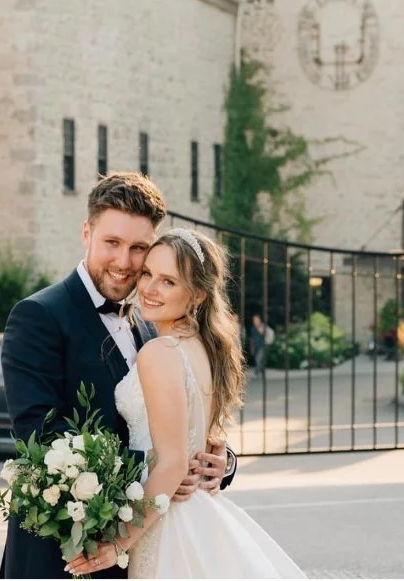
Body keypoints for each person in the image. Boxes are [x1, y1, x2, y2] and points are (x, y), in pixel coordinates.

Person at [0, 173, 236, 579]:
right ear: (87, 233)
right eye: (112, 243)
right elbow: (40, 437)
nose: (125, 262)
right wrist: (159, 469)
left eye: (138, 248)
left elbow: (175, 421)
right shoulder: (39, 316)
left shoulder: (152, 323)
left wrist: (218, 462)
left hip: (138, 547)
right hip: (62, 556)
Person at [66, 229, 305, 579]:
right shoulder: (204, 347)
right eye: (148, 274)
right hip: (198, 510)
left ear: (195, 296)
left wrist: (119, 543)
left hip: (168, 521)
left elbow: (174, 463)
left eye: (167, 282)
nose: (148, 288)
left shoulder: (160, 351)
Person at [250, 312, 274, 376]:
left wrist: (258, 327)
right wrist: (251, 347)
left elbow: (263, 333)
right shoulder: (252, 328)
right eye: (254, 320)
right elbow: (252, 339)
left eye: (256, 320)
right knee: (258, 359)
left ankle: (257, 371)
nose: (255, 321)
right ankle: (262, 370)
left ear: (259, 320)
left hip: (262, 346)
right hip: (256, 346)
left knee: (259, 358)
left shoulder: (262, 326)